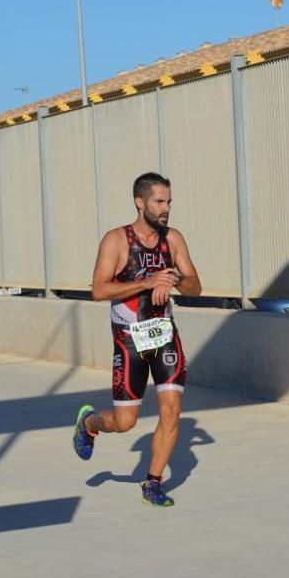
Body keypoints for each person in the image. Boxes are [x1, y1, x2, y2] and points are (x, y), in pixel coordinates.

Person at [72, 172, 202, 507]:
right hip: (129, 341)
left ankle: (153, 482)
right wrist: (147, 282)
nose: (166, 208)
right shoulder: (117, 240)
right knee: (125, 422)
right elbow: (99, 290)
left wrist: (172, 278)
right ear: (139, 202)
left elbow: (195, 287)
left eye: (169, 201)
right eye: (159, 201)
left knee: (171, 411)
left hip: (164, 337)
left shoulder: (172, 239)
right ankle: (88, 423)